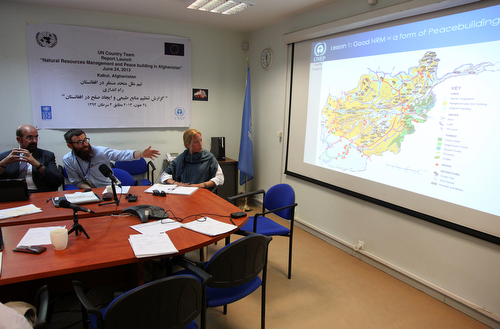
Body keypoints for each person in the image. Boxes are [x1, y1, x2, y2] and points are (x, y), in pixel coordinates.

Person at [62, 129, 160, 189]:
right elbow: (76, 181)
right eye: (80, 142)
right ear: (70, 146)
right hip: (88, 191)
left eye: (85, 140)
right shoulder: (68, 160)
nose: (85, 144)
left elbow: (121, 154)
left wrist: (141, 153)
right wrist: (90, 190)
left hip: (109, 189)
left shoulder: (100, 152)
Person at [0, 125, 63, 192]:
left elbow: (57, 181)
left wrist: (38, 165)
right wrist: (4, 163)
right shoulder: (6, 156)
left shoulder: (47, 155)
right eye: (29, 138)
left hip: (39, 193)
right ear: (19, 139)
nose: (34, 141)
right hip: (13, 193)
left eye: (36, 137)